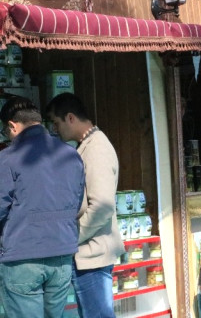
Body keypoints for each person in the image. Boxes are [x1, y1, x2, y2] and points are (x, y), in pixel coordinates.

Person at [0, 96, 85, 317]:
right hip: (62, 256)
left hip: (22, 258)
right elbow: (77, 203)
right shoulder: (71, 155)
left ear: (12, 125)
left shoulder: (8, 159)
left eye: (5, 132)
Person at [46, 93, 125, 317]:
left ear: (70, 118)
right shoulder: (88, 145)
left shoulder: (96, 148)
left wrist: (73, 237)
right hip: (90, 253)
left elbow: (102, 205)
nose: (55, 129)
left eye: (56, 122)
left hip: (93, 255)